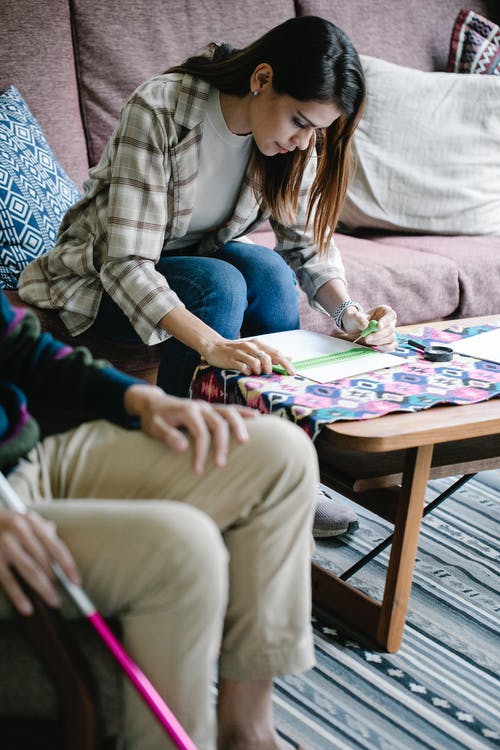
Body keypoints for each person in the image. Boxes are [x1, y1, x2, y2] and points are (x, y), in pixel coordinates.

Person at [18, 15, 396, 535]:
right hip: (99, 279)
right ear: (261, 80)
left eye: (317, 131)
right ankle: (178, 475)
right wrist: (213, 344)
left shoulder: (285, 144)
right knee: (220, 284)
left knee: (266, 270)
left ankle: (279, 465)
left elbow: (305, 248)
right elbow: (126, 263)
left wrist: (350, 315)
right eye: (300, 123)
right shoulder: (161, 108)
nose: (306, 143)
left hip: (188, 264)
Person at [0, 289, 317, 750]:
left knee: (281, 455)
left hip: (26, 458)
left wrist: (140, 399)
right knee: (183, 549)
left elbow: (20, 350)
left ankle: (245, 731)